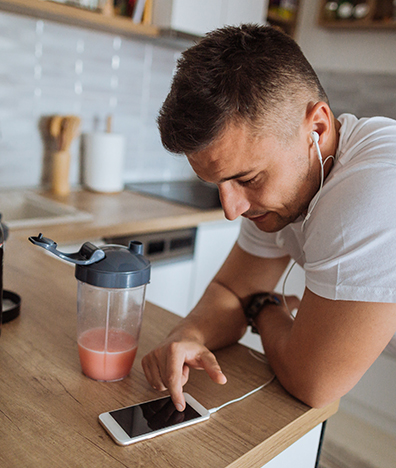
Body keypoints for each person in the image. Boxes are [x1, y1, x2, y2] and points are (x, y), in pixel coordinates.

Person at [142, 24, 396, 412]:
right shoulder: (291, 179)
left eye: (247, 179)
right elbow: (231, 291)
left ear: (318, 127)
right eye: (219, 185)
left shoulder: (371, 191)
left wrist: (264, 307)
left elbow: (313, 382)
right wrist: (187, 334)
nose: (232, 209)